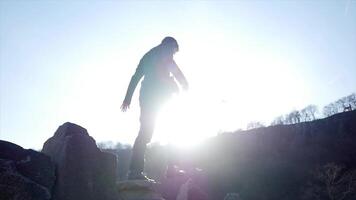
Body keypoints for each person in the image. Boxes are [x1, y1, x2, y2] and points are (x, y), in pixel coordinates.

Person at [121, 37, 189, 180]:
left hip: (159, 98)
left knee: (169, 129)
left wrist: (182, 83)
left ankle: (170, 168)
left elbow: (174, 71)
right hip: (150, 98)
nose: (172, 55)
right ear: (167, 46)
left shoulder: (157, 55)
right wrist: (177, 84)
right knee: (146, 132)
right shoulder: (155, 56)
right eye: (172, 51)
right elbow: (162, 74)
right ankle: (135, 171)